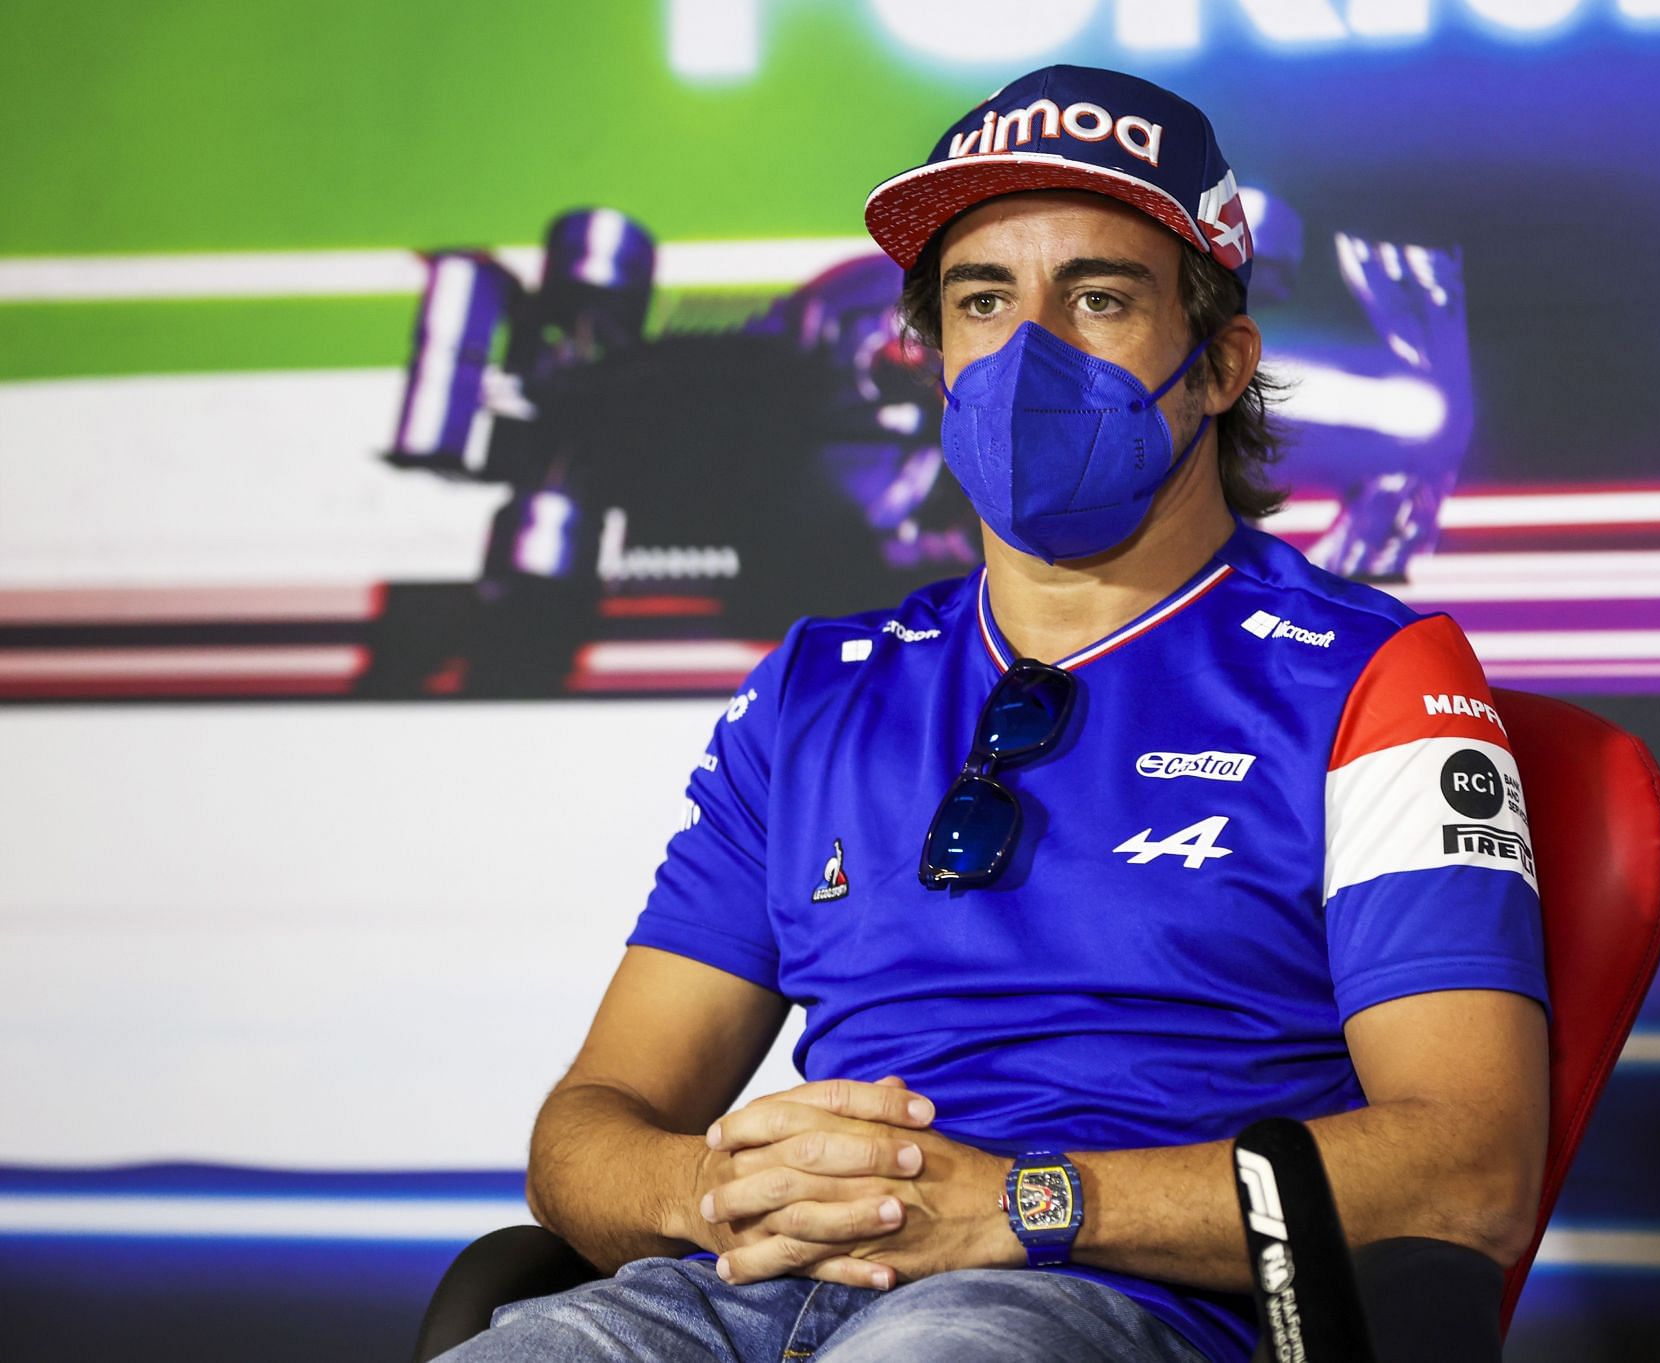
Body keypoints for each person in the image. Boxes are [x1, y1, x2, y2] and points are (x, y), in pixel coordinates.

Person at [443, 65, 1547, 1363]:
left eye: (1098, 297)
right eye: (983, 301)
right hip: (752, 1290)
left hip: (1117, 1307)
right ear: (934, 354)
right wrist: (710, 1193)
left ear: (1220, 365)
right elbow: (589, 1124)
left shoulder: (1378, 678)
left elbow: (1468, 1169)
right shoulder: (815, 691)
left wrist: (1021, 1209)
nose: (1032, 351)